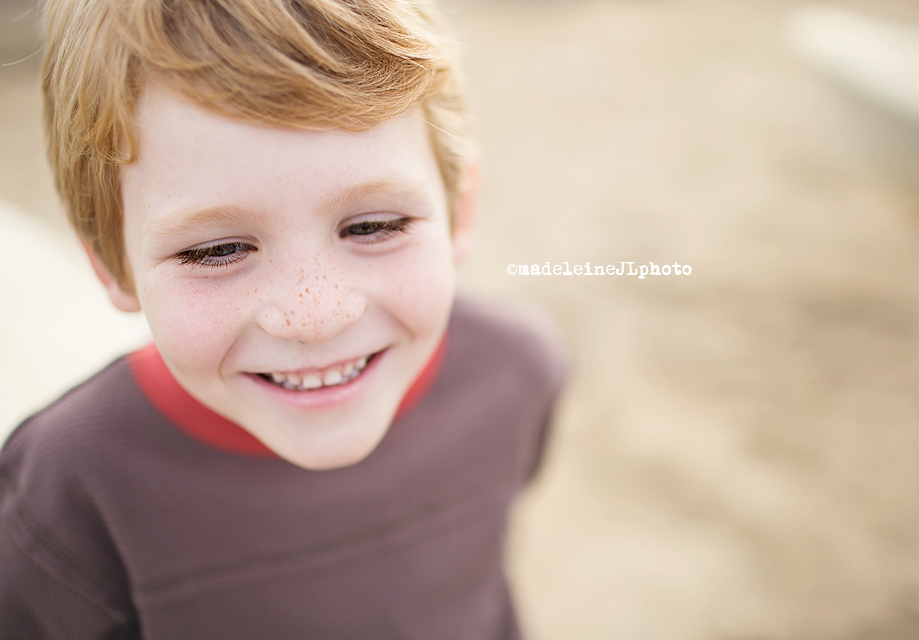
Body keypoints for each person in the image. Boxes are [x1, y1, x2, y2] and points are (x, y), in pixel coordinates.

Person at [0, 0, 567, 637]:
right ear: (111, 266)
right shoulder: (65, 492)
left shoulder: (516, 372)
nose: (315, 316)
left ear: (460, 210)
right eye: (216, 250)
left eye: (374, 226)